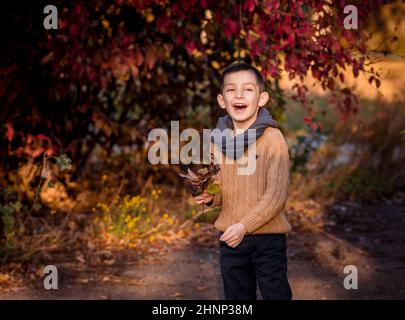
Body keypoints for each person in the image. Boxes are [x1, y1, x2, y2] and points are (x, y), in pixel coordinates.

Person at [194, 62, 292, 300]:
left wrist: (244, 226)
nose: (239, 94)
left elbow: (276, 195)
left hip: (268, 239)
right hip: (230, 237)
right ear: (221, 100)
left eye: (248, 89)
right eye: (231, 89)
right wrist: (212, 197)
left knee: (275, 295)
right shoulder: (218, 141)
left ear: (262, 98)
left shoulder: (272, 139)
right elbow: (222, 188)